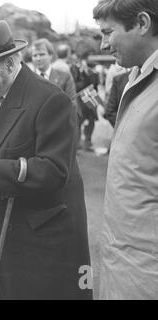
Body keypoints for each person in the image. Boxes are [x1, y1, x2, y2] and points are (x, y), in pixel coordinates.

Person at [0, 20, 92, 299]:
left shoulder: (51, 99)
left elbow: (54, 171)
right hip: (1, 230)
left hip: (42, 237)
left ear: (9, 62)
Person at [93, 0, 158, 299]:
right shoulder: (136, 76)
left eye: (108, 32)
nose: (104, 45)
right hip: (126, 263)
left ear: (142, 24)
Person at [31, 39, 77, 107]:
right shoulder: (28, 78)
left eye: (42, 54)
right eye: (35, 55)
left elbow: (72, 103)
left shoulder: (65, 77)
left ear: (50, 55)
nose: (38, 58)